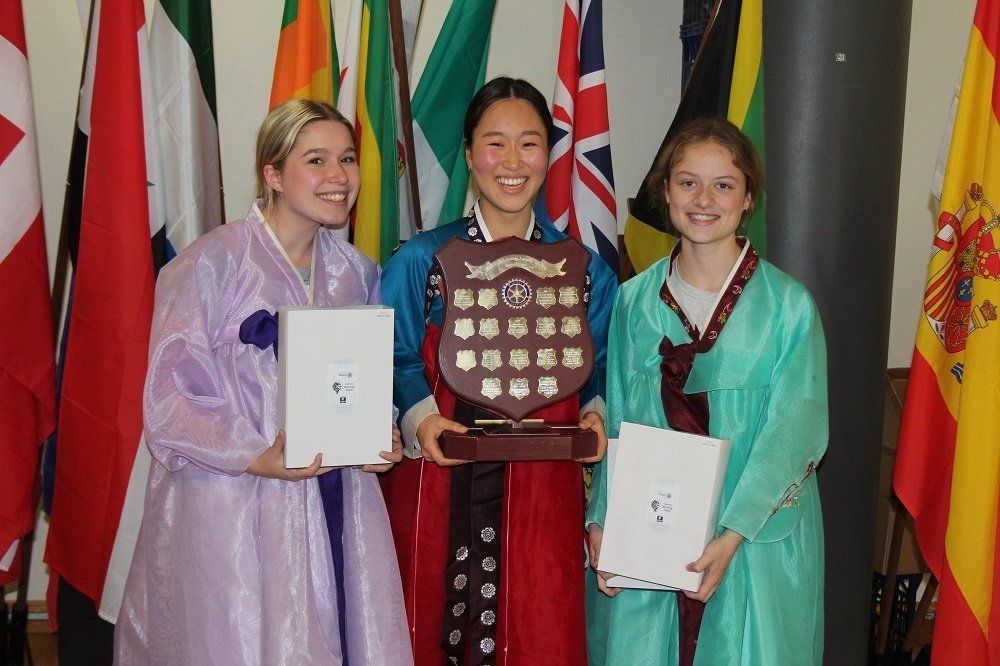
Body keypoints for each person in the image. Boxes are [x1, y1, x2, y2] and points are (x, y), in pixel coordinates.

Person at [114, 100, 411, 665]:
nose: (338, 177)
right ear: (273, 174)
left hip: (333, 498)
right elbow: (169, 402)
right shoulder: (210, 266)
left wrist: (380, 435)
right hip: (230, 504)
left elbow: (365, 379)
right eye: (316, 160)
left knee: (333, 628)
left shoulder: (357, 273)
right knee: (235, 639)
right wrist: (254, 454)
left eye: (347, 159)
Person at [379, 77, 617, 664]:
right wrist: (421, 418)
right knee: (431, 616)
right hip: (440, 474)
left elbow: (607, 362)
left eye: (530, 143)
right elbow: (392, 351)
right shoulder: (422, 260)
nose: (513, 162)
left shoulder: (586, 270)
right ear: (468, 152)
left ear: (550, 154)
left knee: (537, 617)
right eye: (495, 143)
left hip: (545, 485)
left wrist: (595, 415)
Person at [586, 117, 828, 665]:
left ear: (747, 200)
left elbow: (797, 429)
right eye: (687, 181)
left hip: (754, 535)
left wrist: (732, 534)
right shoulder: (633, 302)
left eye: (724, 184)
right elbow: (621, 421)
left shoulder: (788, 307)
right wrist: (602, 518)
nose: (704, 199)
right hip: (652, 529)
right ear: (665, 192)